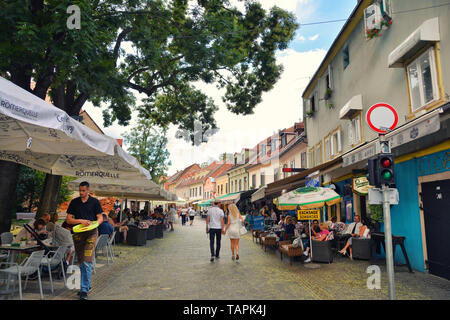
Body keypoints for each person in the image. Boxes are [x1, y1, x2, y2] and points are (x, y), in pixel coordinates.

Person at [66, 181, 104, 300]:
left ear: (88, 190)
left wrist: (95, 224)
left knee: (87, 260)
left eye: (83, 191)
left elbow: (100, 217)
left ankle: (83, 290)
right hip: (78, 234)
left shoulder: (95, 202)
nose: (81, 193)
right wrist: (81, 221)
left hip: (91, 233)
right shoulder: (74, 202)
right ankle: (86, 286)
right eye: (80, 190)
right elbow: (68, 220)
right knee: (82, 261)